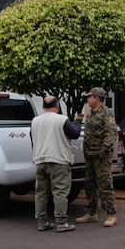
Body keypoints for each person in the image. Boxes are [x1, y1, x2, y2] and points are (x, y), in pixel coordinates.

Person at [31, 95, 82, 232]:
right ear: (58, 106)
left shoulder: (35, 121)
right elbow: (75, 134)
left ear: (43, 107)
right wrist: (77, 121)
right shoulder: (62, 120)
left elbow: (33, 139)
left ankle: (42, 222)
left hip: (40, 159)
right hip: (58, 159)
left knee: (41, 192)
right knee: (60, 192)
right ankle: (61, 222)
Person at [75, 87, 118, 227]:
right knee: (89, 184)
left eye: (90, 97)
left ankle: (111, 214)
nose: (88, 99)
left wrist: (103, 151)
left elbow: (111, 134)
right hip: (89, 155)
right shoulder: (90, 113)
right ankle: (91, 213)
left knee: (105, 185)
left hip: (101, 156)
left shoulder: (106, 113)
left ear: (97, 98)